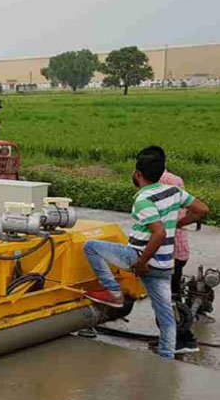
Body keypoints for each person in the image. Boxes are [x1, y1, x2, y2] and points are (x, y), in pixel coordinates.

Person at [83, 147, 209, 359]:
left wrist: (141, 262)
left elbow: (158, 234)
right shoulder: (174, 192)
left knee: (91, 247)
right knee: (166, 315)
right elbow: (203, 210)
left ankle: (113, 292)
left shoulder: (143, 199)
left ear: (138, 174)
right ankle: (167, 358)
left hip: (141, 257)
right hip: (165, 264)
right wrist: (178, 222)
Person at [149, 146, 198, 355]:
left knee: (167, 298)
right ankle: (175, 337)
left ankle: (183, 339)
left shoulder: (166, 183)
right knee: (169, 295)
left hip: (169, 250)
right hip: (172, 249)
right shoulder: (171, 180)